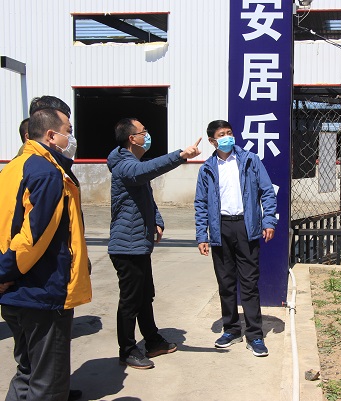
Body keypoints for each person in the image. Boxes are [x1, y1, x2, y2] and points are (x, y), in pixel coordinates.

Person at [0, 97, 92, 401]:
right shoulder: (47, 173)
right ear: (52, 135)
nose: (72, 137)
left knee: (27, 372)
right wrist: (5, 271)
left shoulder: (13, 168)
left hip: (15, 292)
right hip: (41, 290)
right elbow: (33, 237)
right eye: (69, 130)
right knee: (47, 384)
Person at [107, 118, 202, 369]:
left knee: (144, 295)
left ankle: (152, 340)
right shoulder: (125, 166)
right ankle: (127, 349)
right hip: (126, 246)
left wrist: (157, 221)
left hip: (138, 243)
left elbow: (144, 197)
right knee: (130, 300)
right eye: (144, 131)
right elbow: (146, 171)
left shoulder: (132, 164)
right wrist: (180, 156)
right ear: (132, 138)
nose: (147, 135)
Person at [194, 119, 277, 357]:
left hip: (246, 226)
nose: (227, 137)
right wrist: (202, 235)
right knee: (226, 283)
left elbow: (267, 191)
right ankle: (231, 329)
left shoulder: (250, 160)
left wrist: (268, 221)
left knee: (249, 283)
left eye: (229, 133)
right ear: (212, 141)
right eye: (222, 134)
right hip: (220, 228)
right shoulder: (207, 168)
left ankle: (255, 335)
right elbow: (200, 203)